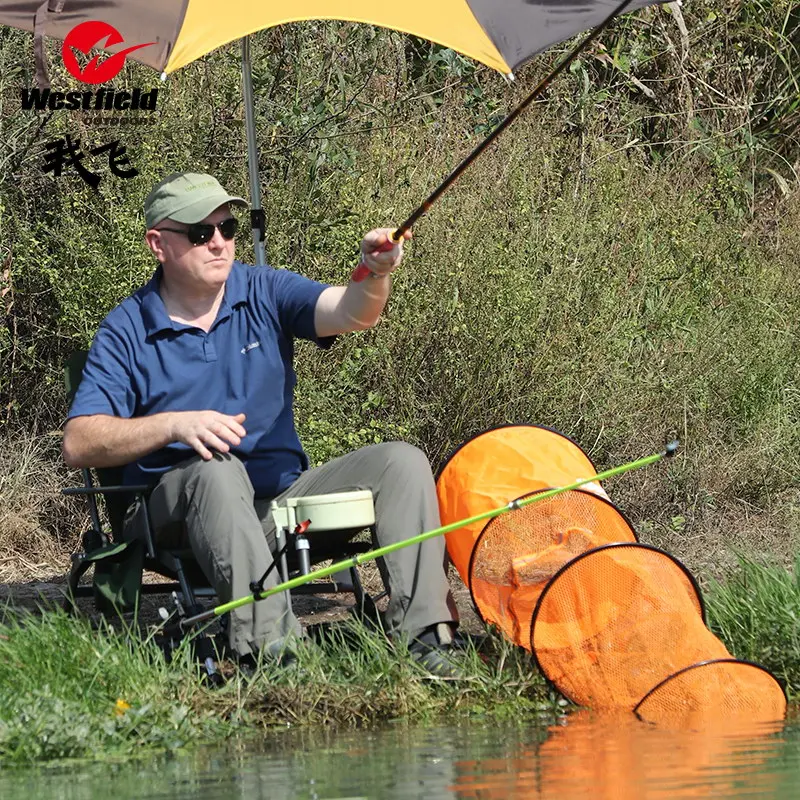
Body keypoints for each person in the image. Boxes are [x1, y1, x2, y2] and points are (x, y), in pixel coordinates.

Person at [62, 171, 461, 675]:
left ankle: (427, 638)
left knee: (401, 462)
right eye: (201, 233)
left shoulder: (263, 290)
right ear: (158, 244)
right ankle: (276, 653)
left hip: (280, 505)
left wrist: (374, 272)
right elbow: (79, 441)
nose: (220, 244)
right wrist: (174, 426)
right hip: (176, 515)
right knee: (216, 469)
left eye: (227, 228)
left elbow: (348, 311)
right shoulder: (126, 327)